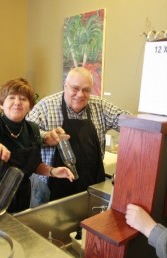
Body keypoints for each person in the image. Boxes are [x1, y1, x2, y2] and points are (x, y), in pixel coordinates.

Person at [0, 78, 74, 213]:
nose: (17, 102)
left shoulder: (32, 129)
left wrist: (53, 171)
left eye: (23, 99)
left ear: (30, 106)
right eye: (11, 97)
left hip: (22, 196)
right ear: (2, 103)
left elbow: (34, 165)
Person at [27, 67, 130, 201]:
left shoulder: (100, 105)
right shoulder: (46, 106)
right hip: (49, 184)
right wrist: (45, 137)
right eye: (75, 88)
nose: (80, 94)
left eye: (86, 90)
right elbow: (26, 133)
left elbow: (129, 122)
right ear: (65, 86)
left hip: (91, 183)